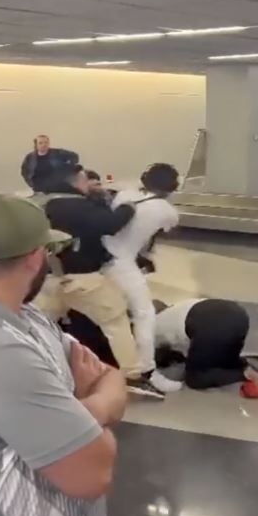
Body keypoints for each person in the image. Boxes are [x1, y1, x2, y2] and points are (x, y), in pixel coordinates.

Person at [0, 194, 126, 516]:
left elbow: (109, 374)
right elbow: (92, 473)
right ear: (36, 257)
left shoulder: (27, 317)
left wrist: (81, 412)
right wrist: (91, 404)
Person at [35, 164, 146, 392]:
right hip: (85, 279)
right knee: (115, 321)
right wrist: (128, 208)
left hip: (48, 279)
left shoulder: (42, 203)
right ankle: (132, 374)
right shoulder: (80, 206)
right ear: (75, 181)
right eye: (86, 180)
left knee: (35, 326)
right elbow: (110, 225)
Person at [104, 163, 181, 395]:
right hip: (123, 264)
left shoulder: (125, 195)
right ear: (172, 187)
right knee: (144, 314)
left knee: (110, 314)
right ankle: (146, 371)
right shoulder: (168, 211)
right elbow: (157, 235)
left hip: (100, 259)